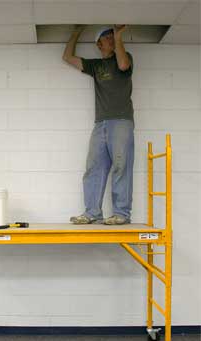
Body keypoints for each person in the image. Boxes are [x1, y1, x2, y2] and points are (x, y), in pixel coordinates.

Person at [62, 25, 135, 225]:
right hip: (101, 123)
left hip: (121, 121)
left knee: (121, 165)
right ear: (98, 44)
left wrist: (119, 37)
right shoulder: (96, 66)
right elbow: (67, 57)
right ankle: (92, 212)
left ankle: (122, 214)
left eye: (112, 36)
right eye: (107, 37)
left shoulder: (124, 58)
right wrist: (76, 32)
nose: (111, 39)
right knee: (93, 167)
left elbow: (122, 65)